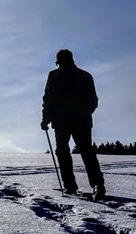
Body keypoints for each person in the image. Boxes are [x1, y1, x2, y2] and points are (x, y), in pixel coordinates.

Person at [41, 49, 105, 199]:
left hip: (65, 121)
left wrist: (46, 119)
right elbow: (93, 100)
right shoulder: (84, 75)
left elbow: (48, 100)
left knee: (65, 153)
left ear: (59, 62)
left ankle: (71, 186)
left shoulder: (54, 75)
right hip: (77, 121)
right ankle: (96, 185)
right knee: (84, 152)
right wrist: (84, 113)